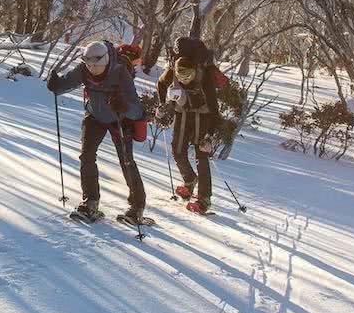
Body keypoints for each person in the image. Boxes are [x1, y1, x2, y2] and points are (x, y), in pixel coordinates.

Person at [46, 40, 148, 223]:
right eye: (89, 65)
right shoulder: (84, 69)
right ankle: (90, 202)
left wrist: (122, 106)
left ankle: (137, 207)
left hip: (119, 119)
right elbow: (64, 85)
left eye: (96, 66)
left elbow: (137, 110)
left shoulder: (119, 72)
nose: (92, 69)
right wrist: (55, 84)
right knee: (86, 156)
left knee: (126, 161)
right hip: (94, 116)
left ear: (107, 61)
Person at [157, 37, 223, 215]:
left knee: (201, 155)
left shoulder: (205, 77)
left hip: (202, 115)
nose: (184, 80)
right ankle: (189, 180)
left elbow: (214, 108)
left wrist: (209, 135)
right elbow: (161, 84)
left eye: (188, 76)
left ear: (196, 71)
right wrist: (161, 105)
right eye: (180, 77)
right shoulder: (173, 69)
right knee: (177, 151)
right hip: (182, 113)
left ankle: (204, 199)